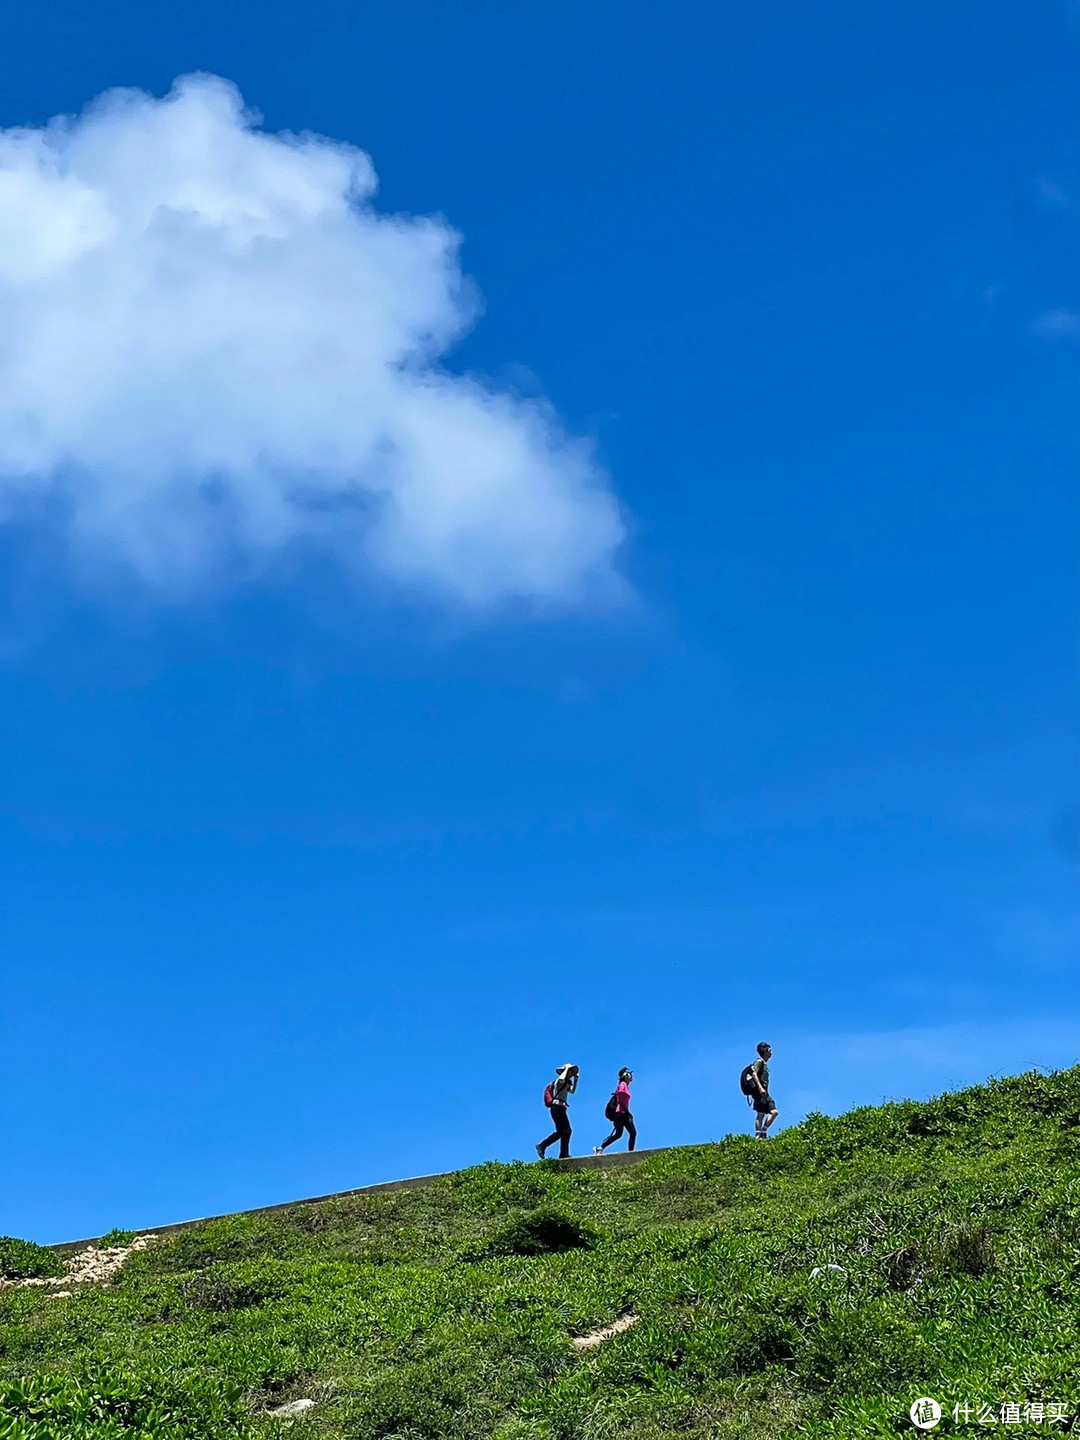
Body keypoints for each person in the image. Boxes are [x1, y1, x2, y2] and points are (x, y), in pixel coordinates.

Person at [536, 1063, 578, 1159]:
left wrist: (575, 1080)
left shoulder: (566, 1083)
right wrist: (566, 1069)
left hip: (562, 1108)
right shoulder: (558, 1082)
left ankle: (564, 1154)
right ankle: (542, 1145)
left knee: (567, 1131)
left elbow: (572, 1091)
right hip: (556, 1107)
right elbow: (561, 1079)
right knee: (561, 1131)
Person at [594, 1068, 636, 1153]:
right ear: (625, 1076)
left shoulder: (626, 1086)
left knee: (630, 1133)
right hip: (620, 1113)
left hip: (623, 1112)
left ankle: (631, 1152)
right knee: (621, 1134)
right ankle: (600, 1148)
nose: (631, 1075)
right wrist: (627, 1112)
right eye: (629, 1074)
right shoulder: (622, 1084)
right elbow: (620, 1096)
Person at [748, 1041, 778, 1138]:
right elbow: (754, 1074)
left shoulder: (764, 1064)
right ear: (764, 1050)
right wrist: (760, 1088)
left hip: (765, 1092)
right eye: (769, 1050)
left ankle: (763, 1131)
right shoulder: (759, 1062)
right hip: (759, 1091)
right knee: (760, 1114)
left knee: (774, 1112)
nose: (771, 1052)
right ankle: (758, 1135)